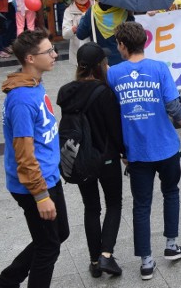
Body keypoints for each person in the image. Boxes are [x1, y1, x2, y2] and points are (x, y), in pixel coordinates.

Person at [107, 22, 181, 280]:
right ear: (144, 42)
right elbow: (173, 105)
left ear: (122, 46)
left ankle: (146, 262)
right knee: (171, 193)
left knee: (141, 205)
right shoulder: (159, 69)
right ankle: (171, 245)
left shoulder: (113, 74)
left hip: (136, 152)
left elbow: (112, 112)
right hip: (166, 146)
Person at [0, 29, 69, 288]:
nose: (55, 54)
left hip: (48, 175)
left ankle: (4, 283)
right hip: (35, 183)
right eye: (49, 52)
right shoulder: (22, 99)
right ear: (31, 59)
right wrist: (40, 195)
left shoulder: (34, 83)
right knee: (48, 248)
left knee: (59, 233)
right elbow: (23, 155)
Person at [56, 42, 124, 278]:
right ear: (100, 66)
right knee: (114, 203)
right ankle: (106, 255)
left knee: (91, 208)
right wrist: (125, 153)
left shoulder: (65, 92)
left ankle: (95, 261)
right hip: (105, 158)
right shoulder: (103, 92)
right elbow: (114, 130)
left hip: (80, 159)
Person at [75, 0, 132, 66]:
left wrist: (83, 17)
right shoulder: (124, 12)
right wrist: (130, 15)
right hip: (121, 60)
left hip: (100, 62)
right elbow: (131, 37)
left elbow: (80, 34)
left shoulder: (92, 12)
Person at [62, 0, 93, 65]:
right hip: (79, 50)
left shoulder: (96, 6)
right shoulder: (69, 11)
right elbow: (65, 34)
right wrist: (73, 29)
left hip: (95, 48)